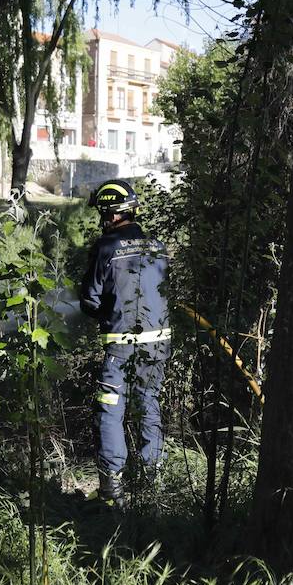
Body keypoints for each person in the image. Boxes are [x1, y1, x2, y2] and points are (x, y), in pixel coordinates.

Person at [79, 178, 170, 508]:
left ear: (112, 213)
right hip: (159, 343)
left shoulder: (105, 248)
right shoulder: (158, 246)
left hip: (121, 345)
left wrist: (104, 310)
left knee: (110, 410)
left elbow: (89, 300)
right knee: (149, 404)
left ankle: (112, 492)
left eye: (103, 213)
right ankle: (150, 482)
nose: (102, 220)